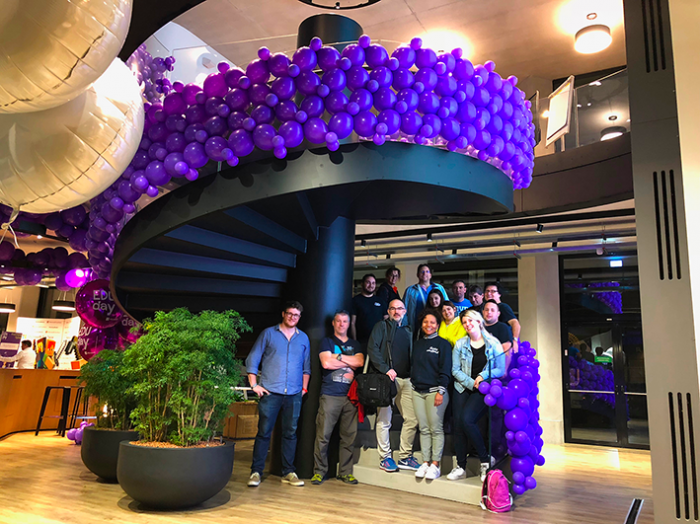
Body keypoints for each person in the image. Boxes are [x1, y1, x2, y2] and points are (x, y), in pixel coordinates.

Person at [246, 301, 311, 488]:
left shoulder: (303, 338)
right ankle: (256, 472)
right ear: (283, 314)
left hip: (294, 393)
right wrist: (254, 385)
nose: (292, 317)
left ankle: (288, 472)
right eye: (290, 313)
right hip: (270, 392)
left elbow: (306, 366)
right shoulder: (268, 334)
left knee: (290, 434)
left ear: (299, 317)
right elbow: (253, 359)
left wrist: (304, 388)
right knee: (264, 433)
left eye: (296, 315)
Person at [449, 310, 506, 482]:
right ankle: (461, 466)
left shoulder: (493, 343)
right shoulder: (460, 344)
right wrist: (470, 382)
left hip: (482, 389)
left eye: (470, 321)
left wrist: (482, 376)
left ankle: (485, 460)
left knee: (467, 420)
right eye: (464, 322)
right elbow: (455, 370)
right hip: (462, 387)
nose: (467, 325)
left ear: (479, 321)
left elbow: (500, 369)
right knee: (458, 426)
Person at [366, 298, 420, 472]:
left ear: (405, 311)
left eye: (400, 308)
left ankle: (405, 456)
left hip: (407, 380)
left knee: (412, 419)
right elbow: (372, 349)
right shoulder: (381, 327)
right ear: (388, 311)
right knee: (384, 420)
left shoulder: (409, 330)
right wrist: (385, 369)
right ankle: (385, 458)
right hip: (387, 380)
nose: (396, 311)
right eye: (393, 309)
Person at [311, 311, 364, 485]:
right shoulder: (326, 341)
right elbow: (326, 363)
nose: (341, 324)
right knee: (323, 436)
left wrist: (337, 356)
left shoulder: (355, 344)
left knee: (348, 437)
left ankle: (345, 473)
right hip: (330, 395)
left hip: (350, 397)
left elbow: (360, 362)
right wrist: (349, 361)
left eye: (345, 321)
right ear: (333, 323)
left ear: (349, 324)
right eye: (338, 321)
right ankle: (319, 472)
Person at [411, 310, 452, 480]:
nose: (429, 325)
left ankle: (435, 464)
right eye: (425, 322)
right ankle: (425, 462)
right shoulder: (417, 344)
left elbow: (446, 369)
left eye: (432, 322)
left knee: (435, 428)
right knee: (424, 429)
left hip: (436, 392)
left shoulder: (443, 344)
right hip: (417, 392)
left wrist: (441, 391)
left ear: (438, 325)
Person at [403, 264, 448, 332]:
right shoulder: (410, 290)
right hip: (416, 326)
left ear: (430, 275)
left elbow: (447, 305)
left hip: (438, 326)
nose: (424, 274)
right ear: (417, 274)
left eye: (427, 271)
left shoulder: (439, 288)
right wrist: (405, 326)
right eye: (422, 272)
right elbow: (404, 309)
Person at [350, 274, 386, 348]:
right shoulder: (355, 301)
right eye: (368, 282)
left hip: (379, 341)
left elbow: (386, 320)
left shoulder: (380, 301)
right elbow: (352, 323)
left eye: (373, 283)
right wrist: (355, 341)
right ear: (362, 284)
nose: (371, 285)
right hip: (362, 341)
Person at [483, 282, 520, 351]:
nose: (489, 293)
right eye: (487, 291)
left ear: (499, 294)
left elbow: (515, 323)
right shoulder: (483, 307)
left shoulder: (503, 307)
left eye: (493, 291)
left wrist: (515, 340)